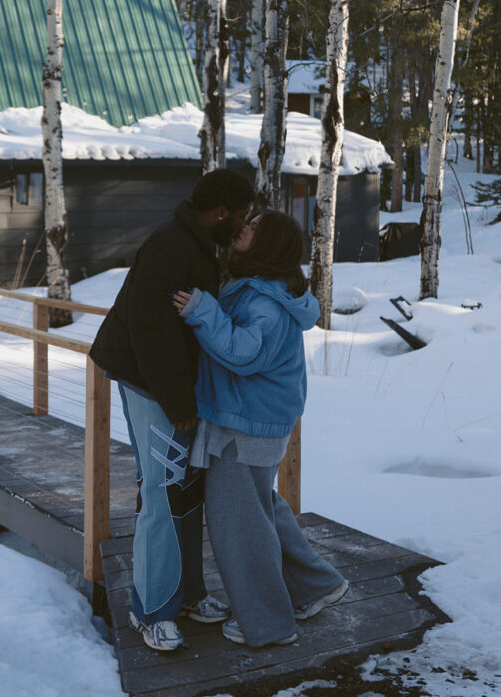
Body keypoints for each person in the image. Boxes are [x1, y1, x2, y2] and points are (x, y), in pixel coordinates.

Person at [89, 169, 255, 652]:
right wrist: (179, 402)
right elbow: (150, 331)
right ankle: (151, 610)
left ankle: (186, 595)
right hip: (151, 386)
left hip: (174, 387)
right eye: (241, 213)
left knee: (186, 490)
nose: (243, 222)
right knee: (161, 491)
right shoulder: (171, 246)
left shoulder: (197, 241)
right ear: (221, 211)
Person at [172, 210, 349, 648]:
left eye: (252, 229)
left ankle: (268, 623)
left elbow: (242, 355)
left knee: (239, 526)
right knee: (257, 509)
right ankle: (316, 584)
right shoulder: (260, 289)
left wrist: (202, 311)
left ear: (267, 246)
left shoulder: (266, 304)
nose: (242, 230)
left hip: (246, 426)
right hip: (248, 420)